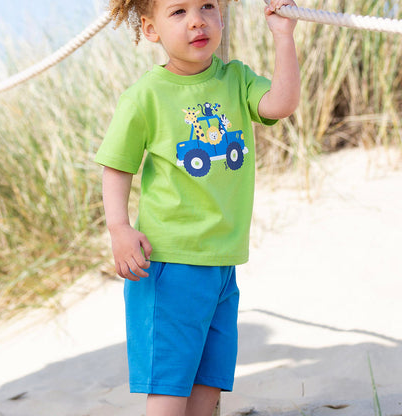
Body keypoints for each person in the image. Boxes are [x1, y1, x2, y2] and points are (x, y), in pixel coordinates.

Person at [95, 0, 300, 414]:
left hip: (222, 263)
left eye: (207, 6)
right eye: (178, 12)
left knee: (209, 385)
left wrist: (283, 36)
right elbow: (117, 166)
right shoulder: (145, 96)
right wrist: (119, 228)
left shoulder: (236, 78)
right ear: (151, 29)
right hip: (170, 263)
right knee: (170, 387)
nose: (197, 21)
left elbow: (280, 104)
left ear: (221, 15)